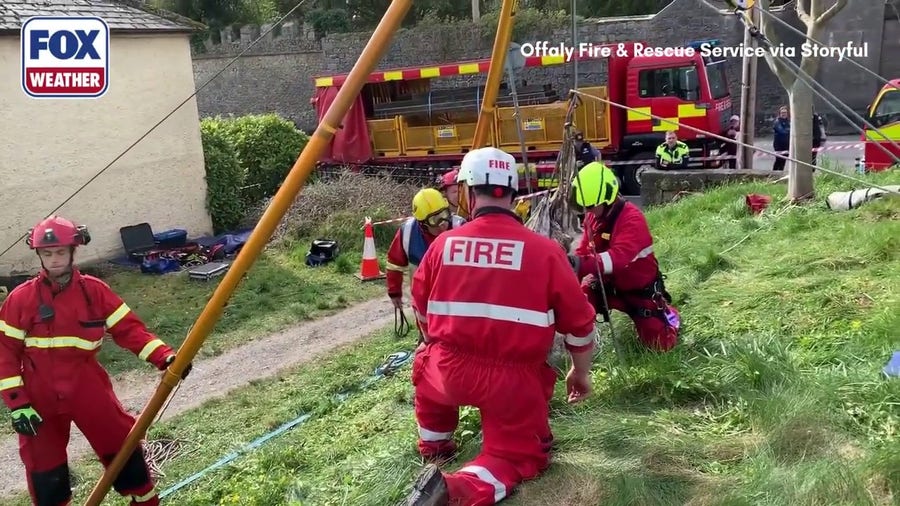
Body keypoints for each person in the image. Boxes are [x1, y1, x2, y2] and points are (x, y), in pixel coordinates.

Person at [402, 147, 598, 505]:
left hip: (446, 372)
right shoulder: (545, 251)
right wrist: (578, 373)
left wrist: (433, 347)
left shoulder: (443, 245)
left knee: (428, 366)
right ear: (513, 192)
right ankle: (453, 489)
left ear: (466, 191)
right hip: (511, 382)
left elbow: (423, 312)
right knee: (517, 456)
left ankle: (435, 446)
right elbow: (580, 323)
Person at [0, 216, 191, 506]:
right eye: (47, 254)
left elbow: (129, 330)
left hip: (86, 385)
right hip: (38, 397)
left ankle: (145, 501)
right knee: (44, 472)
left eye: (60, 252)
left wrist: (164, 356)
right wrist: (17, 403)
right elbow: (5, 352)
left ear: (73, 251)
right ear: (38, 254)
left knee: (122, 449)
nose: (54, 260)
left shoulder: (95, 292)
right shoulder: (19, 300)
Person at [568, 162, 681, 352]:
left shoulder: (632, 219)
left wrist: (580, 264)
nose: (586, 211)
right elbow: (584, 249)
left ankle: (669, 316)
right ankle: (578, 350)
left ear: (607, 199)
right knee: (578, 300)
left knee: (659, 346)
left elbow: (617, 259)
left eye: (589, 206)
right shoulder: (594, 217)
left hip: (639, 292)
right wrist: (569, 273)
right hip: (608, 286)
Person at [385, 188, 465, 310]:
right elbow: (394, 264)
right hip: (423, 302)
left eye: (444, 215)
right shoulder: (408, 232)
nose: (442, 223)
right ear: (422, 223)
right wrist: (394, 292)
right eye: (434, 220)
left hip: (455, 301)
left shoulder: (461, 227)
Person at [772, 106, 790, 171]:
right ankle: (774, 174)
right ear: (779, 113)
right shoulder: (777, 122)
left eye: (785, 112)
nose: (784, 114)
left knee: (783, 161)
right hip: (778, 145)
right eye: (782, 112)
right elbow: (782, 131)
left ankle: (780, 174)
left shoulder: (788, 121)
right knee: (778, 161)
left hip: (786, 145)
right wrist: (790, 130)